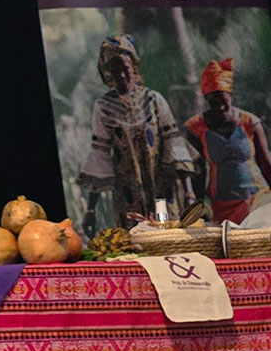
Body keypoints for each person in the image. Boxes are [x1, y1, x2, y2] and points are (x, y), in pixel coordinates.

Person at [76, 34, 194, 233]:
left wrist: (189, 194)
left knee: (165, 236)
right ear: (108, 73)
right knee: (136, 240)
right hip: (128, 196)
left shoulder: (153, 100)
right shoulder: (104, 107)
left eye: (125, 68)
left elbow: (174, 145)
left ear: (134, 67)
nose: (122, 75)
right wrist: (90, 210)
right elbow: (99, 157)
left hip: (161, 193)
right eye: (115, 70)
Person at [182, 57, 271, 224]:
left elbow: (265, 164)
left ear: (230, 95)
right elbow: (198, 172)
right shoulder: (196, 128)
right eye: (213, 103)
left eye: (224, 101)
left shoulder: (250, 122)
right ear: (206, 100)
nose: (220, 107)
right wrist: (198, 207)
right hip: (223, 205)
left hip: (257, 199)